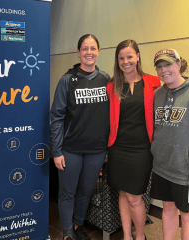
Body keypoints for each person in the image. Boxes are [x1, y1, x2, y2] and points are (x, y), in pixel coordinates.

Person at [50, 34, 110, 240]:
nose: (89, 52)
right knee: (68, 193)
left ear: (99, 52)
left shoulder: (106, 80)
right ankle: (67, 233)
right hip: (71, 149)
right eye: (85, 48)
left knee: (86, 192)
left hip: (97, 149)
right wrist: (56, 151)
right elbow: (56, 117)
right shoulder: (67, 80)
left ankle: (78, 226)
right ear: (78, 52)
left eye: (93, 48)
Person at [106, 39, 161, 240]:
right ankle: (127, 236)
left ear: (137, 56)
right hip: (118, 148)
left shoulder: (154, 82)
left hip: (142, 149)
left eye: (129, 56)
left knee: (134, 196)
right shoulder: (111, 86)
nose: (125, 61)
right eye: (121, 58)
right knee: (123, 193)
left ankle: (140, 236)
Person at [150, 49, 189, 240]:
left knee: (188, 215)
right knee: (168, 209)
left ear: (179, 64)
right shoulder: (159, 94)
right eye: (159, 66)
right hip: (163, 167)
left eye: (168, 64)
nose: (164, 70)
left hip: (186, 171)